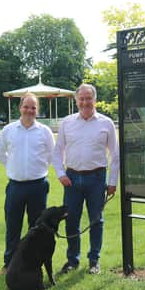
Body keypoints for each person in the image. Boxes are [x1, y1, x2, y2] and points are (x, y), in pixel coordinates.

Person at [52, 83, 119, 275]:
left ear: (95, 100)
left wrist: (113, 182)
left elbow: (115, 155)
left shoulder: (106, 123)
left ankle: (94, 260)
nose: (85, 102)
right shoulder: (67, 122)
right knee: (71, 220)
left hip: (97, 178)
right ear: (76, 101)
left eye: (88, 98)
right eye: (81, 99)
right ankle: (73, 260)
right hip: (71, 179)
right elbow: (57, 152)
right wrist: (60, 174)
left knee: (96, 220)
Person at [0, 93, 54, 275]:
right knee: (13, 226)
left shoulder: (44, 131)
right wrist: (15, 168)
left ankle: (31, 264)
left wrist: (36, 168)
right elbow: (0, 154)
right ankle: (9, 264)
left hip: (38, 186)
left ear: (37, 110)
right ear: (20, 107)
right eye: (26, 106)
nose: (29, 110)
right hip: (16, 187)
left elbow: (52, 156)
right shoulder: (9, 130)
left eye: (33, 107)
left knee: (36, 229)